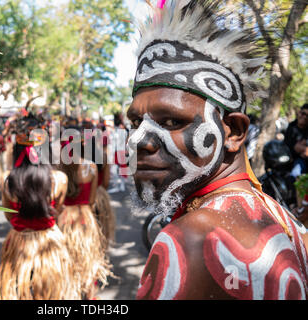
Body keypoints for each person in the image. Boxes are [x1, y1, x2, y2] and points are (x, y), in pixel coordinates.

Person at [127, 0, 307, 300]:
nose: (138, 141)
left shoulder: (191, 241)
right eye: (135, 122)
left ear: (233, 132)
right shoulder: (289, 222)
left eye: (171, 120)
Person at [0, 114, 80, 300]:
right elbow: (56, 212)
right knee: (52, 294)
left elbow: (9, 216)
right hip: (49, 242)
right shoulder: (59, 179)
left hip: (19, 242)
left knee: (20, 289)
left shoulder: (7, 181)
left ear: (18, 149)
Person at [58, 128, 112, 299]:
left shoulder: (60, 169)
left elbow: (57, 201)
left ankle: (69, 292)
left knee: (66, 258)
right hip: (85, 218)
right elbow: (91, 199)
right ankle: (90, 295)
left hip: (65, 218)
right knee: (90, 258)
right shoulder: (91, 167)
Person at [284, 104, 308, 182]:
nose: (305, 117)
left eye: (307, 116)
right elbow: (297, 148)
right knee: (295, 174)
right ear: (299, 113)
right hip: (292, 162)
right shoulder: (291, 127)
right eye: (303, 113)